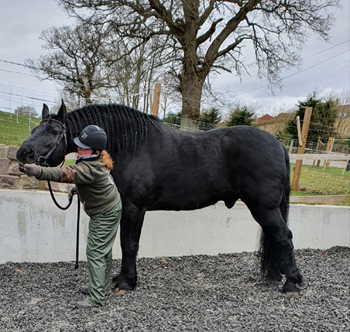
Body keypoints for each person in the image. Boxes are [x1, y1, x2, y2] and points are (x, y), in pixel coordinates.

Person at [23, 125, 122, 309]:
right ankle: (98, 286)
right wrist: (79, 189)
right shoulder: (96, 160)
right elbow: (91, 182)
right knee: (103, 251)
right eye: (79, 144)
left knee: (95, 252)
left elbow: (68, 173)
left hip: (105, 212)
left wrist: (39, 172)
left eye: (83, 146)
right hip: (111, 207)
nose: (78, 148)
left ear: (95, 150)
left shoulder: (90, 167)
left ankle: (96, 297)